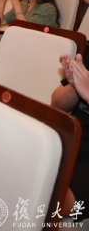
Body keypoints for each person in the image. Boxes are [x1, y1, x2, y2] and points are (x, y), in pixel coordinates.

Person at [51, 54, 89, 221]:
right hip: (64, 144)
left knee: (43, 196)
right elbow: (56, 104)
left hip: (86, 166)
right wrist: (75, 87)